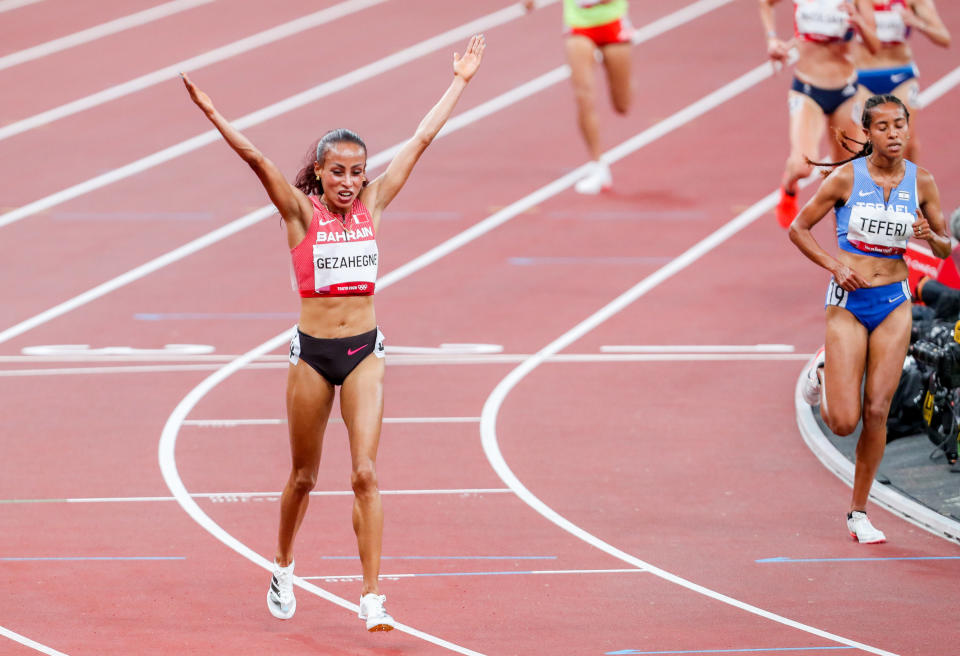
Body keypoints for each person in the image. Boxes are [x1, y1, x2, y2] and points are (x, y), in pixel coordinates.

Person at [181, 34, 486, 630]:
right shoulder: (299, 213)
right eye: (337, 172)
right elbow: (257, 161)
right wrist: (214, 113)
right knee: (303, 476)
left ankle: (372, 596)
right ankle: (283, 565)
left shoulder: (375, 203)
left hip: (365, 351)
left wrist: (461, 82)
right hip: (313, 357)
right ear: (318, 173)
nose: (349, 182)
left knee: (366, 472)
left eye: (357, 172)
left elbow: (421, 140)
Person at [788, 94, 950, 543]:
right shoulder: (844, 179)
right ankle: (825, 369)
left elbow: (946, 247)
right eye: (883, 127)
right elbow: (798, 229)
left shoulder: (923, 182)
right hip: (848, 302)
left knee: (878, 410)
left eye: (901, 125)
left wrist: (929, 234)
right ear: (868, 133)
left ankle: (858, 512)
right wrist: (835, 265)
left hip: (894, 303)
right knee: (842, 422)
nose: (894, 133)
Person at [760, 0, 880, 228]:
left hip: (846, 92)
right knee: (802, 168)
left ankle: (846, 246)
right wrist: (772, 39)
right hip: (807, 89)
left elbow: (874, 45)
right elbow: (765, 4)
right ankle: (789, 184)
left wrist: (859, 21)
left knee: (849, 177)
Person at [525, 0, 634, 194]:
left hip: (613, 21)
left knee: (622, 104)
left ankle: (624, 80)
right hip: (579, 26)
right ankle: (598, 165)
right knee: (583, 96)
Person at [854, 0, 951, 161]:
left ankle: (911, 185)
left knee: (907, 143)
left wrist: (917, 23)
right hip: (864, 76)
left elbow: (944, 38)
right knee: (862, 145)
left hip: (901, 75)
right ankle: (867, 185)